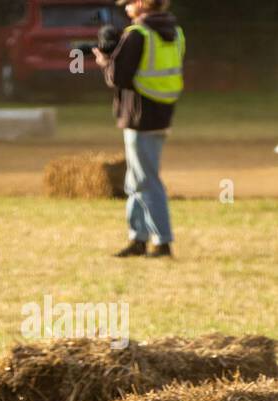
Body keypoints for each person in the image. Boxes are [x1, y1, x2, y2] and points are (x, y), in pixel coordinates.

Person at [96, 0, 185, 259]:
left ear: (142, 4)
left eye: (129, 3)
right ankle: (138, 238)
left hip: (139, 114)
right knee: (135, 179)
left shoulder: (138, 33)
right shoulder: (176, 32)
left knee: (146, 180)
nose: (125, 8)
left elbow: (118, 77)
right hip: (162, 112)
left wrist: (105, 59)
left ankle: (162, 241)